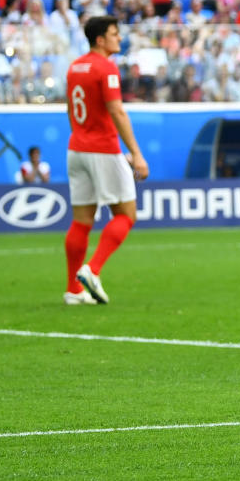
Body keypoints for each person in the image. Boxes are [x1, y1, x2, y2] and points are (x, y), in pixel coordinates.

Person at [63, 16, 150, 306]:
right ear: (100, 39)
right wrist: (136, 154)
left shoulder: (75, 67)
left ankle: (73, 290)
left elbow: (70, 110)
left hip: (76, 148)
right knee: (126, 214)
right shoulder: (106, 67)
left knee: (81, 221)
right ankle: (93, 269)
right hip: (102, 149)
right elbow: (117, 111)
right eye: (114, 34)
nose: (119, 39)